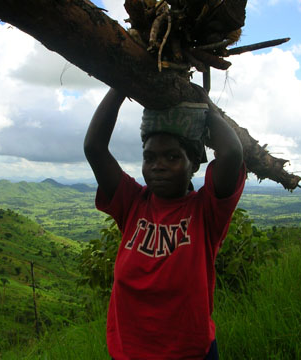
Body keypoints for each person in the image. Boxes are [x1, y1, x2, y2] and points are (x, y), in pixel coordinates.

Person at [83, 87, 246, 360]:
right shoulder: (132, 202)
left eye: (172, 157)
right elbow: (94, 148)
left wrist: (203, 104)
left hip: (190, 353)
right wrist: (121, 84)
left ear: (193, 163)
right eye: (149, 157)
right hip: (129, 353)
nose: (158, 165)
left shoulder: (205, 211)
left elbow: (231, 153)